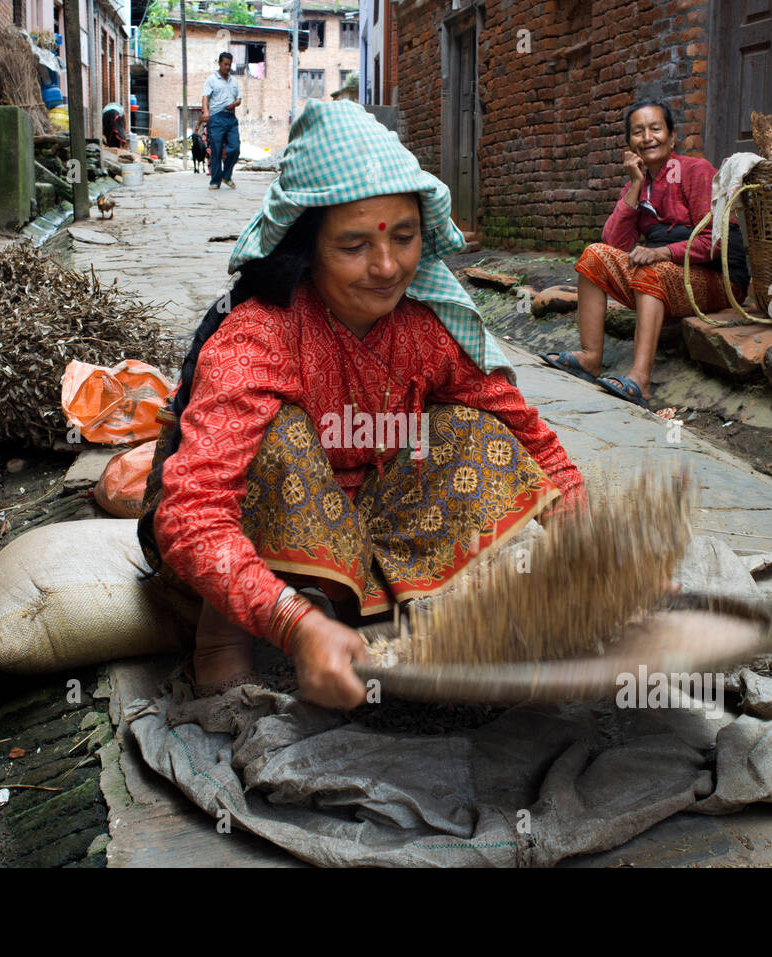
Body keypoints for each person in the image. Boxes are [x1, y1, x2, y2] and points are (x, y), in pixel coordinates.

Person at [138, 100, 584, 710]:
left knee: (473, 433)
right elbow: (192, 515)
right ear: (307, 247)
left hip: (364, 527)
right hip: (240, 540)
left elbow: (523, 429)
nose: (386, 266)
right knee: (279, 436)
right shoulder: (259, 336)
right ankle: (223, 640)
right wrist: (296, 626)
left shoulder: (427, 328)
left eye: (404, 238)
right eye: (353, 245)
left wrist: (587, 532)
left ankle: (368, 603)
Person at [544, 101, 748, 409]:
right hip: (671, 276)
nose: (648, 137)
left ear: (672, 136)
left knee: (652, 268)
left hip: (719, 280)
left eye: (656, 128)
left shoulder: (696, 171)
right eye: (638, 132)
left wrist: (662, 252)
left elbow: (716, 241)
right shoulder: (639, 184)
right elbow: (614, 242)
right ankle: (590, 358)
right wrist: (635, 186)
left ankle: (640, 379)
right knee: (593, 256)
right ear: (629, 144)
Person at [201, 52, 242, 190]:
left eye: (230, 64)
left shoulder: (234, 81)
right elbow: (205, 97)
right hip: (216, 118)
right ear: (219, 63)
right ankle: (215, 181)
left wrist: (235, 104)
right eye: (225, 64)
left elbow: (239, 98)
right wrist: (206, 112)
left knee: (235, 148)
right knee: (216, 150)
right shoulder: (211, 79)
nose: (227, 67)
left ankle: (226, 176)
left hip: (230, 118)